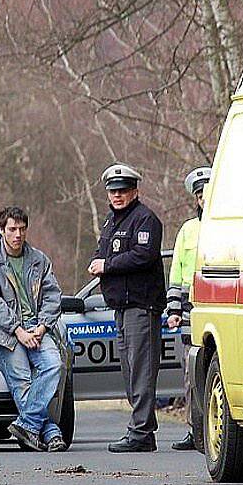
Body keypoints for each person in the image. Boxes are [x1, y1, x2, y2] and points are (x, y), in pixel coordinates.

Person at [88, 163, 166, 453]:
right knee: (130, 370)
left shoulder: (145, 219)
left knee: (142, 370)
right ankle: (141, 428)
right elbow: (103, 251)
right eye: (113, 191)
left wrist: (107, 265)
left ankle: (141, 432)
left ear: (135, 191)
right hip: (121, 307)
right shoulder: (112, 221)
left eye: (123, 190)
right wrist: (98, 260)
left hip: (141, 306)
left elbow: (143, 256)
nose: (118, 195)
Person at [0, 206, 66, 452]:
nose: (17, 234)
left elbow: (52, 296)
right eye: (12, 229)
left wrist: (41, 327)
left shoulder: (39, 260)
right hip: (4, 333)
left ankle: (27, 424)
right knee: (23, 380)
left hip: (37, 327)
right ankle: (50, 432)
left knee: (53, 365)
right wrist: (19, 331)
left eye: (21, 229)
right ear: (1, 231)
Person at [168, 167, 211, 451]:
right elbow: (176, 274)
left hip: (217, 309)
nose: (204, 199)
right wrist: (173, 309)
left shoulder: (229, 226)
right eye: (199, 195)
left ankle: (216, 434)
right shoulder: (188, 231)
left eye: (207, 192)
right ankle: (194, 431)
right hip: (189, 311)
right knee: (191, 376)